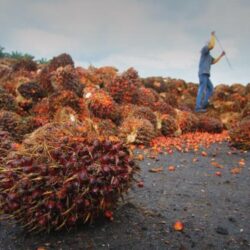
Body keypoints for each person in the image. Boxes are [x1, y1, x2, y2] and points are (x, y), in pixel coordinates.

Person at [195, 31, 225, 112]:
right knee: (202, 89)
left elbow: (214, 61)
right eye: (209, 44)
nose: (210, 46)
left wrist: (221, 55)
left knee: (211, 88)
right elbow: (212, 45)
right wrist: (212, 36)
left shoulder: (209, 56)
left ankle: (204, 104)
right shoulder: (204, 50)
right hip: (202, 73)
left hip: (206, 75)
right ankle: (198, 108)